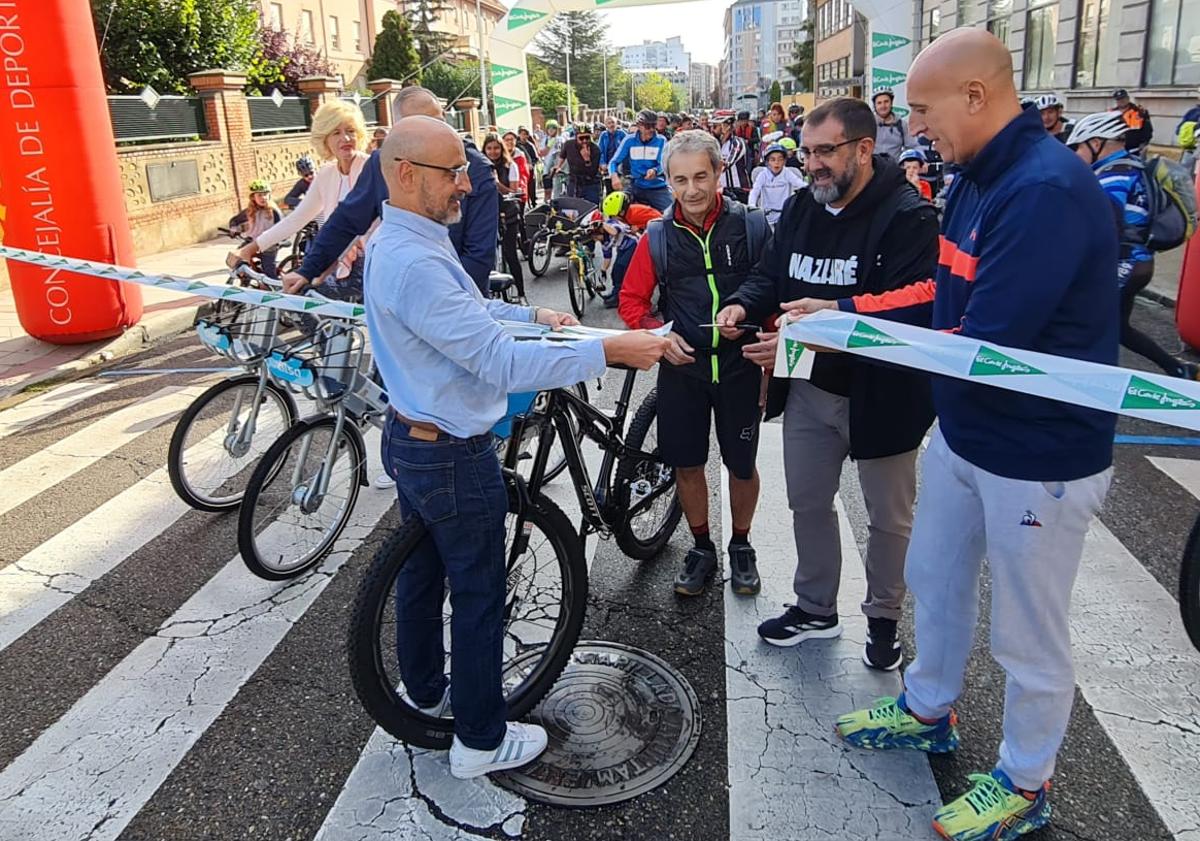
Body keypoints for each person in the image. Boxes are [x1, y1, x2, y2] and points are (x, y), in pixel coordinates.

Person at [811, 29, 1118, 841]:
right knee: (934, 577)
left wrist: (849, 334)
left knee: (1026, 630)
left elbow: (980, 343)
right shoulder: (979, 176)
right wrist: (844, 316)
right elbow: (942, 299)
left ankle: (1025, 778)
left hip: (1038, 456)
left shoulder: (1041, 191)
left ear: (976, 96)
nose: (914, 128)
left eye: (921, 110)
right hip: (968, 434)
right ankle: (929, 706)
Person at [366, 117, 670, 781]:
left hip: (413, 436)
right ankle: (479, 737)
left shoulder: (404, 238)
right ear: (404, 172)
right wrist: (612, 345)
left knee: (423, 575)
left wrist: (534, 315)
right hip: (449, 450)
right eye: (452, 171)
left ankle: (425, 688)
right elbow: (496, 362)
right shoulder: (415, 257)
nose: (470, 183)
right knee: (478, 591)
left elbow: (466, 314)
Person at [719, 96, 939, 670]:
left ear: (864, 150)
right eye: (807, 151)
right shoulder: (799, 208)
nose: (812, 164)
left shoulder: (907, 214)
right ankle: (816, 608)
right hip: (812, 387)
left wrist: (835, 314)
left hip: (885, 394)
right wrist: (743, 307)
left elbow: (921, 305)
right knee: (808, 502)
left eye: (825, 152)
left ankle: (885, 621)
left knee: (889, 519)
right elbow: (770, 275)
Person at [618, 130, 768, 598]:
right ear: (667, 181)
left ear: (720, 172)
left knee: (742, 465)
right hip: (683, 371)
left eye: (701, 176)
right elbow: (631, 301)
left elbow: (773, 294)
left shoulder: (753, 226)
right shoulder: (658, 236)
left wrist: (766, 343)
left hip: (740, 366)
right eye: (680, 180)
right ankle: (702, 546)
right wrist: (663, 338)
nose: (692, 190)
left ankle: (741, 544)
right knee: (687, 464)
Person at [277, 86, 498, 297]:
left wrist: (445, 300)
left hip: (458, 298)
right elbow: (347, 220)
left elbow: (479, 254)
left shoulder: (476, 169)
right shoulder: (383, 162)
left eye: (437, 122)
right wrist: (308, 269)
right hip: (404, 293)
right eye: (419, 125)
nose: (432, 131)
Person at [1067, 112, 1200, 380]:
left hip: (1124, 262)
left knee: (1082, 320)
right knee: (1118, 328)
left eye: (1077, 147)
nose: (1075, 154)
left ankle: (1088, 383)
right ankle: (1179, 369)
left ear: (1096, 143)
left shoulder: (1113, 176)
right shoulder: (1132, 166)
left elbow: (1107, 227)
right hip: (1139, 262)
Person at [227, 99, 369, 286]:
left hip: (370, 266)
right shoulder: (326, 174)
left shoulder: (371, 168)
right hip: (338, 267)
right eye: (336, 132)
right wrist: (249, 249)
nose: (346, 138)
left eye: (351, 131)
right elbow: (296, 219)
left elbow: (357, 229)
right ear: (324, 139)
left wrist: (318, 271)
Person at [482, 134, 528, 303]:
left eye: (496, 148)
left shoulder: (511, 166)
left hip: (508, 213)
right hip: (488, 215)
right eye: (489, 148)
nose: (493, 152)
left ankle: (521, 293)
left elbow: (513, 190)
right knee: (486, 255)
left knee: (510, 254)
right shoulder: (480, 167)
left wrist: (497, 184)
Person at [598, 190, 661, 307]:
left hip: (646, 241)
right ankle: (616, 292)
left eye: (614, 216)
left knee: (624, 268)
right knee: (617, 269)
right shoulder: (625, 216)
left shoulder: (637, 213)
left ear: (622, 212)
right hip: (632, 241)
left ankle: (621, 296)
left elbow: (659, 223)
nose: (613, 218)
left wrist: (641, 227)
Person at [608, 110, 673, 212]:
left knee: (672, 214)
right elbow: (613, 162)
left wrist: (655, 171)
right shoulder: (629, 140)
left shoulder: (661, 140)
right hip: (635, 186)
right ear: (639, 126)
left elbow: (664, 164)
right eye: (648, 126)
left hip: (657, 188)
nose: (651, 130)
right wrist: (614, 176)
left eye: (653, 126)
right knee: (615, 209)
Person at [228, 180, 283, 277]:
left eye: (265, 194)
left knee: (268, 270)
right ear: (253, 197)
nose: (263, 198)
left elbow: (283, 227)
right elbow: (235, 221)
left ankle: (273, 287)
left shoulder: (274, 211)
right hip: (252, 241)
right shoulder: (249, 211)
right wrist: (233, 229)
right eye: (259, 195)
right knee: (235, 258)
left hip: (268, 243)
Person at [747, 143, 806, 225]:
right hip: (767, 216)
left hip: (784, 216)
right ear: (767, 162)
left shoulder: (787, 173)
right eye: (772, 160)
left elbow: (801, 185)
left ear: (785, 161)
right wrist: (752, 206)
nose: (777, 163)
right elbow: (755, 192)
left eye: (780, 159)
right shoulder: (763, 175)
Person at [559, 123, 604, 205]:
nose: (584, 141)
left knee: (592, 208)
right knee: (572, 208)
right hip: (574, 181)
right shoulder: (569, 144)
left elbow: (592, 172)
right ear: (576, 137)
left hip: (591, 183)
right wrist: (557, 167)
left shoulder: (595, 149)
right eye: (581, 138)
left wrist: (587, 159)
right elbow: (562, 156)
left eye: (587, 138)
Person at [717, 115, 752, 202]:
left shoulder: (737, 142)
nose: (712, 129)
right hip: (722, 189)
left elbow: (729, 161)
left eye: (716, 126)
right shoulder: (715, 144)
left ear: (727, 127)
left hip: (738, 188)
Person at [872, 89, 915, 159]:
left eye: (886, 102)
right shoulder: (869, 124)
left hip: (895, 167)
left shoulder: (901, 124)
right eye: (879, 103)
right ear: (875, 106)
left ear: (891, 103)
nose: (883, 106)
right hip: (874, 167)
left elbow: (912, 146)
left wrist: (908, 160)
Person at [1112, 88, 1153, 153]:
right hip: (1116, 148)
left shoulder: (1140, 111)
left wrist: (1144, 143)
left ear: (1128, 98)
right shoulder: (1111, 113)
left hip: (1135, 148)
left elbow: (1147, 130)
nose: (1121, 101)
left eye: (1123, 98)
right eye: (1118, 99)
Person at [502, 131, 533, 207]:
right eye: (507, 140)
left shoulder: (520, 155)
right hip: (503, 193)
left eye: (511, 139)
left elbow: (524, 174)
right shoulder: (500, 155)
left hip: (518, 192)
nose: (509, 142)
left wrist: (520, 188)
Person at [539, 120, 567, 202]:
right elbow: (542, 153)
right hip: (547, 168)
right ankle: (547, 206)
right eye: (549, 128)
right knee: (547, 190)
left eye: (553, 128)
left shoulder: (561, 139)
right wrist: (549, 145)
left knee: (557, 190)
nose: (551, 130)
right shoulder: (545, 140)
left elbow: (562, 154)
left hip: (558, 168)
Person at [1176, 88, 1200, 174]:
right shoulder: (1192, 112)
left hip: (1189, 151)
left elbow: (1178, 130)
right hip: (1191, 151)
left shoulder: (1192, 112)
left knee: (1185, 175)